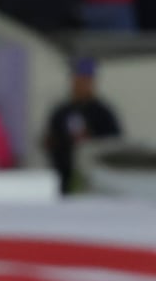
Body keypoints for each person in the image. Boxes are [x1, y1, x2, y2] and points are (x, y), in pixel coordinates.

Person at [43, 57, 123, 195]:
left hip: (93, 179)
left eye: (86, 81)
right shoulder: (62, 111)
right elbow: (52, 139)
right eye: (78, 80)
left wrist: (90, 139)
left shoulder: (102, 112)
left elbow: (115, 142)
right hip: (63, 177)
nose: (81, 85)